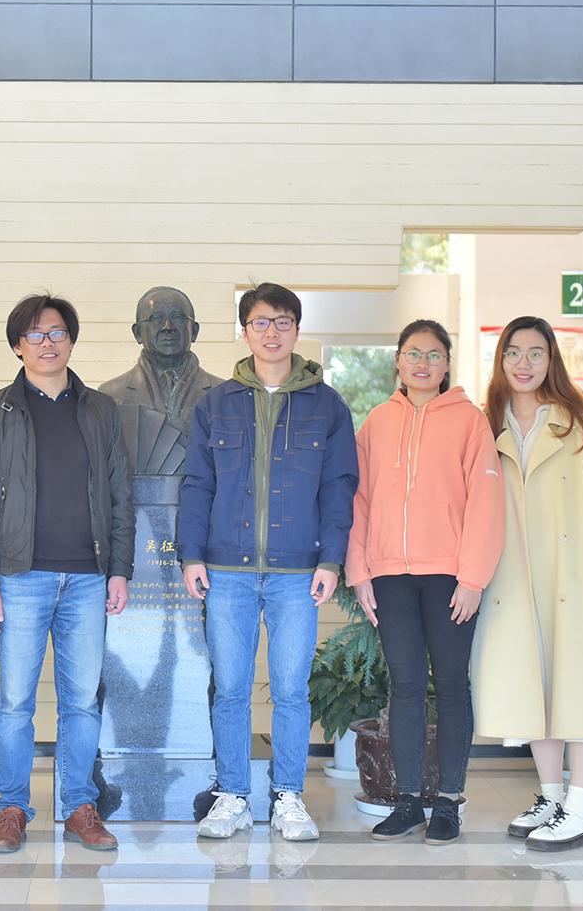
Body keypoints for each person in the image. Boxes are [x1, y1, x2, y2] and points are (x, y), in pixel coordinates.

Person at [179, 282, 358, 842]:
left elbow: (338, 488)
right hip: (226, 571)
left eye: (283, 322)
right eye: (261, 322)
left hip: (297, 573)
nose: (272, 332)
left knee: (290, 691)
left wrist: (332, 560)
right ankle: (233, 795)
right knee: (231, 688)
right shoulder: (215, 404)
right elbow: (197, 484)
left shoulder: (327, 406)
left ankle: (287, 797)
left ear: (297, 330)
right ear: (244, 331)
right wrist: (191, 555)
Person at [0, 293, 135, 854]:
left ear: (71, 341)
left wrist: (119, 570)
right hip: (19, 577)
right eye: (34, 335)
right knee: (15, 701)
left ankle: (79, 806)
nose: (47, 343)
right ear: (18, 346)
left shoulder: (100, 410)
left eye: (57, 332)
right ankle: (12, 808)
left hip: (87, 578)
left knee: (81, 700)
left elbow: (121, 495)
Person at [470, 315, 583, 852]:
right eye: (513, 352)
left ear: (552, 360)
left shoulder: (578, 426)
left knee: (580, 689)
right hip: (512, 579)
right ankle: (551, 797)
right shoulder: (485, 426)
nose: (524, 363)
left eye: (535, 353)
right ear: (500, 360)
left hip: (574, 576)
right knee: (533, 690)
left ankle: (580, 810)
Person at [345, 319, 505, 845]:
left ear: (447, 364)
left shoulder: (469, 421)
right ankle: (410, 802)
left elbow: (486, 502)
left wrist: (473, 577)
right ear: (398, 360)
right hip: (390, 575)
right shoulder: (377, 422)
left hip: (450, 577)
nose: (422, 363)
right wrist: (359, 570)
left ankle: (449, 802)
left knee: (453, 685)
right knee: (406, 686)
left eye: (434, 355)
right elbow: (359, 500)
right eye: (413, 353)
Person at [99, 285, 225, 439]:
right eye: (156, 318)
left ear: (194, 331)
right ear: (138, 333)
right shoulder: (110, 395)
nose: (168, 327)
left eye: (178, 318)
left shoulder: (223, 394)